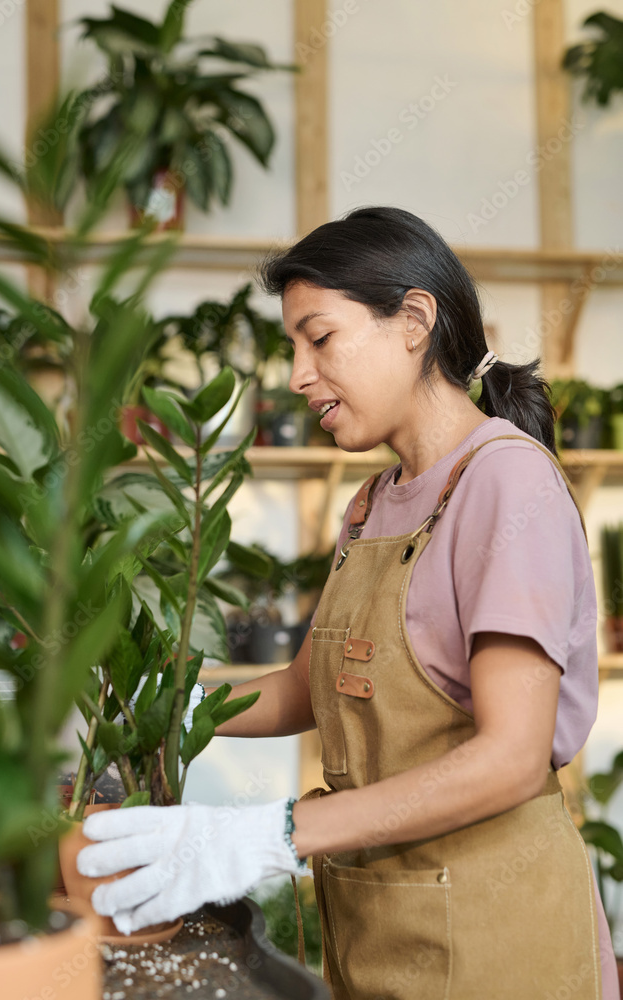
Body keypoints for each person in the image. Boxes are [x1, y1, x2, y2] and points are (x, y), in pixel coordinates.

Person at [78, 207, 618, 1000]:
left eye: (319, 338)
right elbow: (306, 687)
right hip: (379, 926)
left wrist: (272, 832)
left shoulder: (506, 483)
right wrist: (155, 696)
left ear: (413, 320)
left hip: (494, 939)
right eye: (292, 347)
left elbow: (510, 756)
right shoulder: (372, 503)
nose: (296, 375)